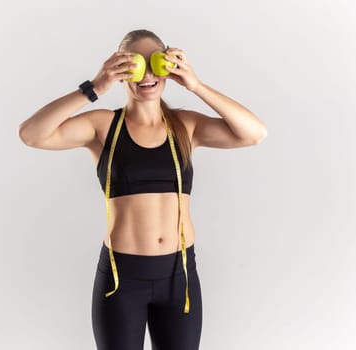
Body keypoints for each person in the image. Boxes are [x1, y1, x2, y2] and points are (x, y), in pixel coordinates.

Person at [19, 29, 267, 350]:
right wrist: (94, 88)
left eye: (156, 63)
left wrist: (196, 85)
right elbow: (31, 134)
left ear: (169, 66)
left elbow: (255, 133)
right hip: (122, 281)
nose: (148, 74)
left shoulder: (185, 126)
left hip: (179, 277)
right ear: (121, 71)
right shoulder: (103, 126)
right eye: (137, 64)